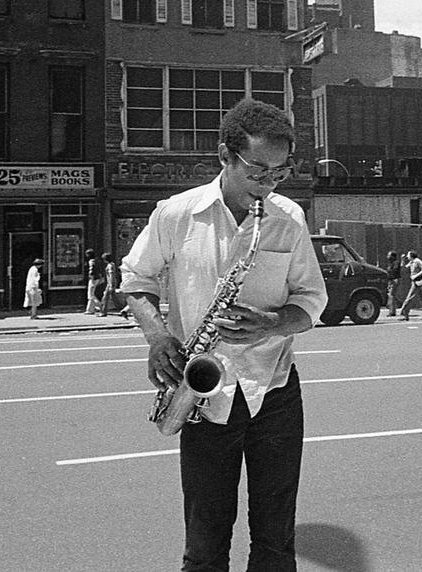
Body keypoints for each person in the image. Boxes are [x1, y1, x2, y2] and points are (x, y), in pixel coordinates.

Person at [119, 97, 327, 571]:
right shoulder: (176, 214)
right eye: (257, 172)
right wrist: (156, 335)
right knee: (206, 542)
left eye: (278, 173)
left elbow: (312, 302)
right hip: (205, 397)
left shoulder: (289, 218)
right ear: (224, 157)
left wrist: (274, 323)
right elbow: (135, 280)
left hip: (274, 392)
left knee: (276, 539)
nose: (267, 185)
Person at [84, 249, 103, 315]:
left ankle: (101, 306)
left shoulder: (91, 261)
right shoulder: (97, 260)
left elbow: (92, 270)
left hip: (93, 279)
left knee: (91, 295)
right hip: (96, 278)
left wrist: (91, 277)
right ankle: (90, 309)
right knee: (91, 294)